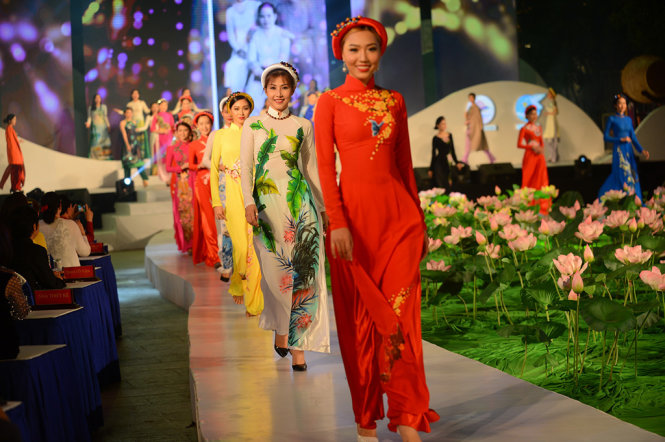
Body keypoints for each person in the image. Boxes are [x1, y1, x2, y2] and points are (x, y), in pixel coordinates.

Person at [314, 16, 439, 441]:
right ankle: (366, 420)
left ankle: (407, 416)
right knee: (362, 326)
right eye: (354, 49)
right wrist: (337, 223)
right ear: (342, 55)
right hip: (354, 228)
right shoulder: (329, 102)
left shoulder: (395, 101)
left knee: (402, 320)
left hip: (400, 223)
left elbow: (404, 164)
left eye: (371, 48)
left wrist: (419, 220)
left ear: (380, 52)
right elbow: (326, 170)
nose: (363, 57)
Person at [240, 62, 329, 370]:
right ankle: (281, 327)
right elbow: (246, 168)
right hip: (265, 207)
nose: (279, 93)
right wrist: (248, 202)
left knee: (304, 273)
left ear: (293, 90)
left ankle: (298, 346)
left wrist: (323, 208)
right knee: (276, 274)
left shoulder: (304, 125)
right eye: (273, 88)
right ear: (265, 90)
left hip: (300, 203)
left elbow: (310, 169)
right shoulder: (252, 125)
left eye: (285, 87)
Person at [211, 92, 263, 315]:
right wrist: (216, 202)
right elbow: (214, 171)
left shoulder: (257, 132)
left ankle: (254, 301)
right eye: (236, 109)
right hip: (233, 196)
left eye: (245, 108)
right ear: (229, 112)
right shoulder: (221, 135)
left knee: (254, 247)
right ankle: (238, 281)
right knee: (240, 246)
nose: (241, 113)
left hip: (256, 195)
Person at [203, 98, 233, 281]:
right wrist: (218, 165)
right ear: (222, 113)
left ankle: (247, 265)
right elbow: (205, 160)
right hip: (224, 183)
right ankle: (228, 265)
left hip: (244, 182)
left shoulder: (247, 132)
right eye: (226, 110)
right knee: (226, 225)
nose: (230, 114)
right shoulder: (216, 135)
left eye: (233, 109)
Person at [599, 94, 650, 201]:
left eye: (624, 103)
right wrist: (620, 139)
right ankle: (620, 199)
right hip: (619, 150)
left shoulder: (628, 119)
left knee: (632, 173)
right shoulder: (612, 119)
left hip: (628, 150)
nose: (622, 106)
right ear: (615, 105)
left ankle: (635, 200)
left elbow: (633, 137)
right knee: (622, 173)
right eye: (619, 103)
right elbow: (606, 137)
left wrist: (642, 150)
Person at [245, 2, 292, 114]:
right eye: (262, 16)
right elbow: (251, 60)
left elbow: (283, 60)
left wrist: (271, 75)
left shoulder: (283, 35)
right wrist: (261, 73)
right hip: (258, 76)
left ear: (275, 16)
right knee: (249, 106)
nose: (266, 19)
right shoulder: (255, 35)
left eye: (269, 16)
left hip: (278, 76)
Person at [189, 111, 220, 268]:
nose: (204, 126)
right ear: (197, 126)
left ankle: (227, 252)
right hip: (202, 183)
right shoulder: (193, 145)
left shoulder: (218, 139)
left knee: (222, 218)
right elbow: (190, 165)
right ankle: (214, 255)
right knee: (208, 219)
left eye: (207, 123)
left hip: (219, 181)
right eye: (201, 124)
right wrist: (199, 165)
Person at [9, 205, 66, 290]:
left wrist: (50, 275)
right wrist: (59, 280)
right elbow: (51, 284)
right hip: (31, 297)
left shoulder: (6, 249)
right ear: (34, 226)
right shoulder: (37, 251)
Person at [38, 192, 91, 268]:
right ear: (60, 207)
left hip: (48, 274)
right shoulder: (70, 225)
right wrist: (83, 234)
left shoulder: (36, 227)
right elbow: (85, 252)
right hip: (71, 273)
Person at [165, 122, 194, 253]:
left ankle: (199, 243)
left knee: (196, 212)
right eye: (180, 131)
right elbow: (168, 168)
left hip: (194, 181)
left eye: (185, 130)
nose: (183, 133)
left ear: (190, 132)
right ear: (176, 133)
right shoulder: (171, 148)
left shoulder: (193, 145)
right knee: (184, 212)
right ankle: (189, 244)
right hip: (181, 184)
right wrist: (180, 168)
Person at [518, 105, 550, 213]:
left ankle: (542, 205)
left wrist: (541, 149)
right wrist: (531, 147)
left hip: (539, 156)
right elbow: (519, 144)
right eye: (532, 114)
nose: (534, 116)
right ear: (527, 116)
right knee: (529, 178)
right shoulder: (524, 129)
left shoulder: (538, 128)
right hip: (530, 155)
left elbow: (541, 142)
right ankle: (528, 205)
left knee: (541, 178)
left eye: (535, 114)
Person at [224, 0, 261, 92]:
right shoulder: (230, 11)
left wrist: (253, 31)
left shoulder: (256, 5)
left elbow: (262, 26)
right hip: (240, 51)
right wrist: (239, 50)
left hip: (256, 49)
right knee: (231, 66)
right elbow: (231, 35)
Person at [428, 116, 462, 189]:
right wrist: (431, 169)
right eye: (442, 124)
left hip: (448, 161)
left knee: (449, 182)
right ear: (438, 125)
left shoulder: (449, 135)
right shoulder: (435, 138)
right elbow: (433, 154)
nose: (444, 125)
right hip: (439, 162)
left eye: (445, 123)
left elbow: (452, 150)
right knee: (440, 183)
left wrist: (457, 162)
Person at [119, 107, 150, 187]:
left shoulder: (134, 122)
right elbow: (124, 134)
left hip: (135, 145)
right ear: (125, 114)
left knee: (139, 163)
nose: (129, 114)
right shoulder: (123, 123)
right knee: (127, 164)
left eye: (130, 112)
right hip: (127, 144)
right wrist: (127, 145)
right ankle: (127, 183)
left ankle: (144, 179)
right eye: (127, 112)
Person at [462, 92, 495, 164]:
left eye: (471, 97)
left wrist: (480, 128)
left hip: (475, 130)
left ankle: (464, 160)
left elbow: (478, 119)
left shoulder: (476, 108)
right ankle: (464, 160)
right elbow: (471, 119)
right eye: (469, 98)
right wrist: (467, 119)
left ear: (474, 98)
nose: (470, 99)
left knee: (482, 146)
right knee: (470, 146)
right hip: (471, 129)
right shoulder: (471, 107)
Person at [151, 98, 175, 182]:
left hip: (169, 138)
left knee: (169, 156)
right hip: (160, 139)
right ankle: (163, 176)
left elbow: (173, 126)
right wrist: (161, 131)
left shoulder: (169, 115)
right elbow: (152, 128)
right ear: (159, 106)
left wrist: (170, 131)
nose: (164, 107)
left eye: (165, 105)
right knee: (161, 157)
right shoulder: (156, 116)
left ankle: (170, 176)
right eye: (162, 105)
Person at [1, 114, 25, 192]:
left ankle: (15, 187)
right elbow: (10, 143)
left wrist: (18, 141)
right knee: (16, 171)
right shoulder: (9, 129)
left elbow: (13, 142)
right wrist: (14, 155)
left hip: (15, 154)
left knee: (16, 171)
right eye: (14, 119)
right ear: (9, 121)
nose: (15, 121)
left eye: (15, 119)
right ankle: (15, 187)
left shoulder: (10, 129)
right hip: (14, 154)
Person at [85, 93, 112, 160]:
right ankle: (95, 157)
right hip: (95, 128)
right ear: (94, 99)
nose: (97, 99)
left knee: (104, 142)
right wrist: (88, 124)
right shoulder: (91, 108)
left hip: (103, 128)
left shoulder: (104, 107)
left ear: (100, 99)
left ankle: (104, 157)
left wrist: (108, 126)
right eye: (96, 98)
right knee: (96, 141)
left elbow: (105, 117)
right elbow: (90, 118)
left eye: (99, 98)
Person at [541, 88, 559, 163]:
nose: (548, 95)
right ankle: (551, 156)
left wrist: (548, 113)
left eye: (549, 94)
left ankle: (553, 157)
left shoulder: (553, 102)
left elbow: (555, 112)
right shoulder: (549, 102)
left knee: (552, 140)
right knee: (546, 139)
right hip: (549, 121)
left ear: (551, 95)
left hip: (552, 121)